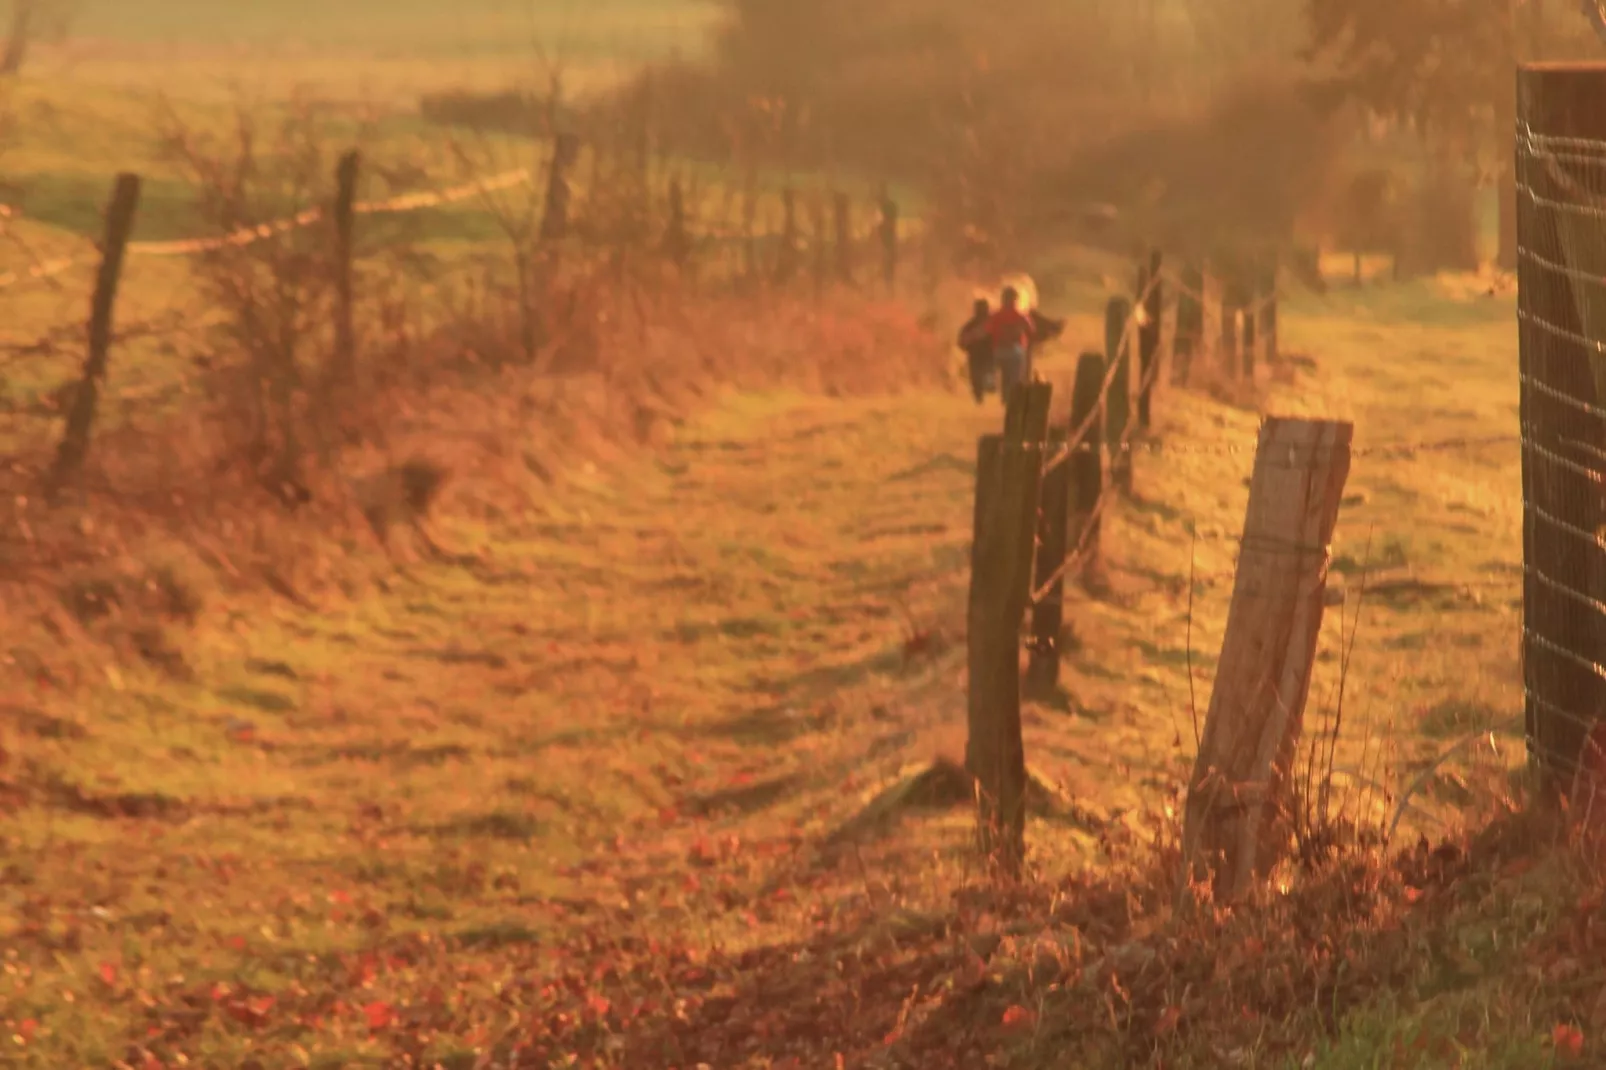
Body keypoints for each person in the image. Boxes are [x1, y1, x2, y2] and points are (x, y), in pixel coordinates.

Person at [982, 285, 1035, 401]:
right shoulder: (1021, 316)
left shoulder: (996, 316)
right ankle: (1013, 395)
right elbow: (1031, 330)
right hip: (1016, 351)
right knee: (1015, 376)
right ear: (1015, 300)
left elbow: (986, 330)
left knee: (993, 366)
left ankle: (991, 380)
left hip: (998, 351)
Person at [956, 297, 995, 404]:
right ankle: (979, 397)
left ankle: (980, 395)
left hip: (983, 354)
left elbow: (961, 341)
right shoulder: (975, 325)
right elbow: (961, 341)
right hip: (982, 355)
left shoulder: (971, 325)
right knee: (978, 377)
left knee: (981, 376)